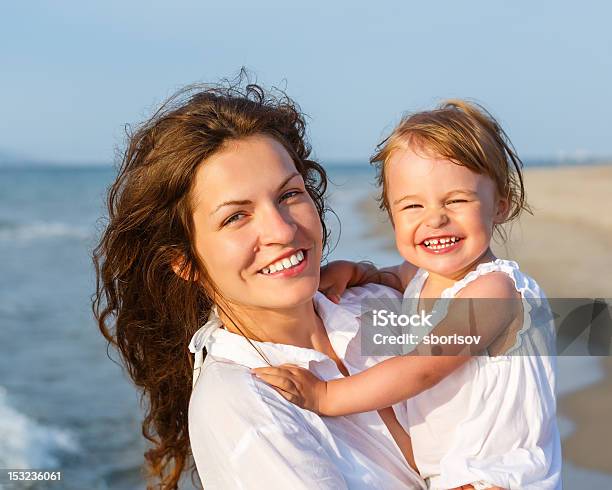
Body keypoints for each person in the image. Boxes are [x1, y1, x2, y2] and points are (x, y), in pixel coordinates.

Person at [92, 80, 425, 489]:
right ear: (185, 262)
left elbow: (518, 331)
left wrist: (385, 275)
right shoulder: (243, 400)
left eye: (288, 195)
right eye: (236, 216)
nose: (281, 230)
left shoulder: (367, 310)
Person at [253, 100, 562, 489]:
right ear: (392, 215)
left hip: (494, 475)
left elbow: (423, 367)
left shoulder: (493, 292)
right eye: (413, 205)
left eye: (456, 200)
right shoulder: (424, 274)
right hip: (457, 472)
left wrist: (327, 395)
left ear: (500, 205)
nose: (434, 218)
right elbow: (396, 279)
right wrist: (358, 271)